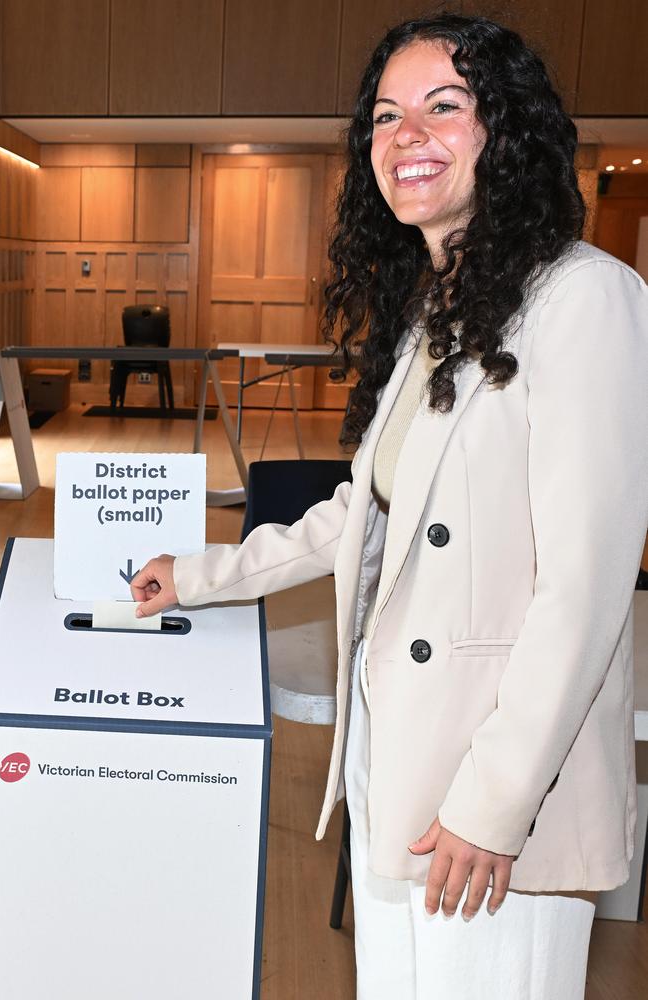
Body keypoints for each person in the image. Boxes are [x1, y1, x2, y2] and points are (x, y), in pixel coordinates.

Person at [131, 13, 648, 999]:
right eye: (383, 114)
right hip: (394, 757)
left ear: (506, 128)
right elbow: (358, 517)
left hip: (490, 788)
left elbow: (583, 588)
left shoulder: (585, 297)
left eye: (442, 106)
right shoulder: (434, 313)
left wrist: (494, 803)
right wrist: (197, 574)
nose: (405, 134)